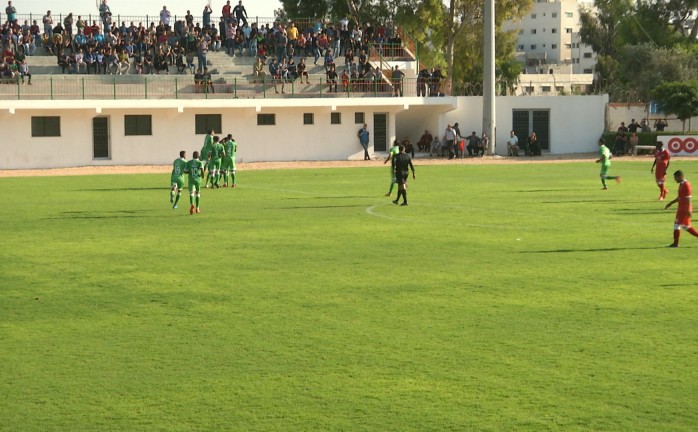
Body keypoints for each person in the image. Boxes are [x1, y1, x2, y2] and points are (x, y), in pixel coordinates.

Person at [665, 170, 698, 247]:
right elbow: (680, 197)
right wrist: (671, 203)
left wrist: (688, 210)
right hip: (681, 208)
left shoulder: (686, 185)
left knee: (685, 226)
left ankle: (675, 243)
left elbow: (688, 198)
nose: (675, 179)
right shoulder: (681, 184)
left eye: (676, 177)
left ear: (680, 176)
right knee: (677, 225)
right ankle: (675, 243)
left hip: (685, 208)